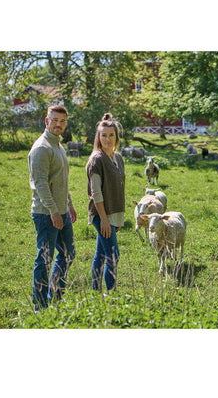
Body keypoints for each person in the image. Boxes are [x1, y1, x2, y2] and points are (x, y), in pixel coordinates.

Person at [28, 105, 77, 311]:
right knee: (45, 259)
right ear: (47, 121)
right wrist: (53, 211)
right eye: (55, 120)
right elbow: (40, 184)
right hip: (46, 213)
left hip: (62, 211)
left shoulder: (58, 146)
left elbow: (60, 181)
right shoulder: (42, 148)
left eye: (62, 121)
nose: (59, 124)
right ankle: (40, 306)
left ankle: (56, 295)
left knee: (68, 253)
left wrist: (69, 205)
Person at [86, 113, 125, 293]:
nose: (107, 139)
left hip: (113, 214)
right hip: (101, 214)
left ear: (116, 137)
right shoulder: (96, 160)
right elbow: (96, 193)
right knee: (113, 255)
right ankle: (112, 294)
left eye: (111, 135)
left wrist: (117, 218)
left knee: (101, 253)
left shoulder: (118, 158)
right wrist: (104, 219)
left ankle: (96, 291)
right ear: (98, 137)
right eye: (103, 135)